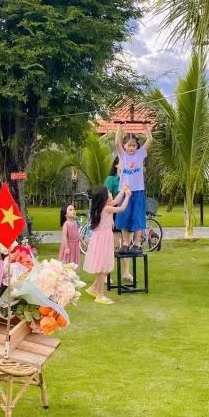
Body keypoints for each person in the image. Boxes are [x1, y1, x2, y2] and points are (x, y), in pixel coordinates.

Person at [84, 184, 131, 305]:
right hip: (103, 240)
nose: (111, 193)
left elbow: (115, 201)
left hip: (100, 239)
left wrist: (122, 190)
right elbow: (121, 208)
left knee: (103, 267)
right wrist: (127, 196)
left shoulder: (102, 207)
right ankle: (100, 294)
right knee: (103, 267)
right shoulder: (106, 209)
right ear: (104, 197)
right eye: (109, 192)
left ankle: (94, 288)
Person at [114, 124, 152, 269]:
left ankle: (137, 243)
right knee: (124, 216)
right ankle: (125, 243)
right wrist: (119, 128)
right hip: (125, 191)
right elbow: (116, 143)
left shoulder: (140, 154)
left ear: (137, 146)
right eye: (129, 145)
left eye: (133, 145)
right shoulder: (122, 155)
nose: (131, 148)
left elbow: (149, 140)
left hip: (138, 190)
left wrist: (146, 128)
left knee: (138, 216)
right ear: (125, 146)